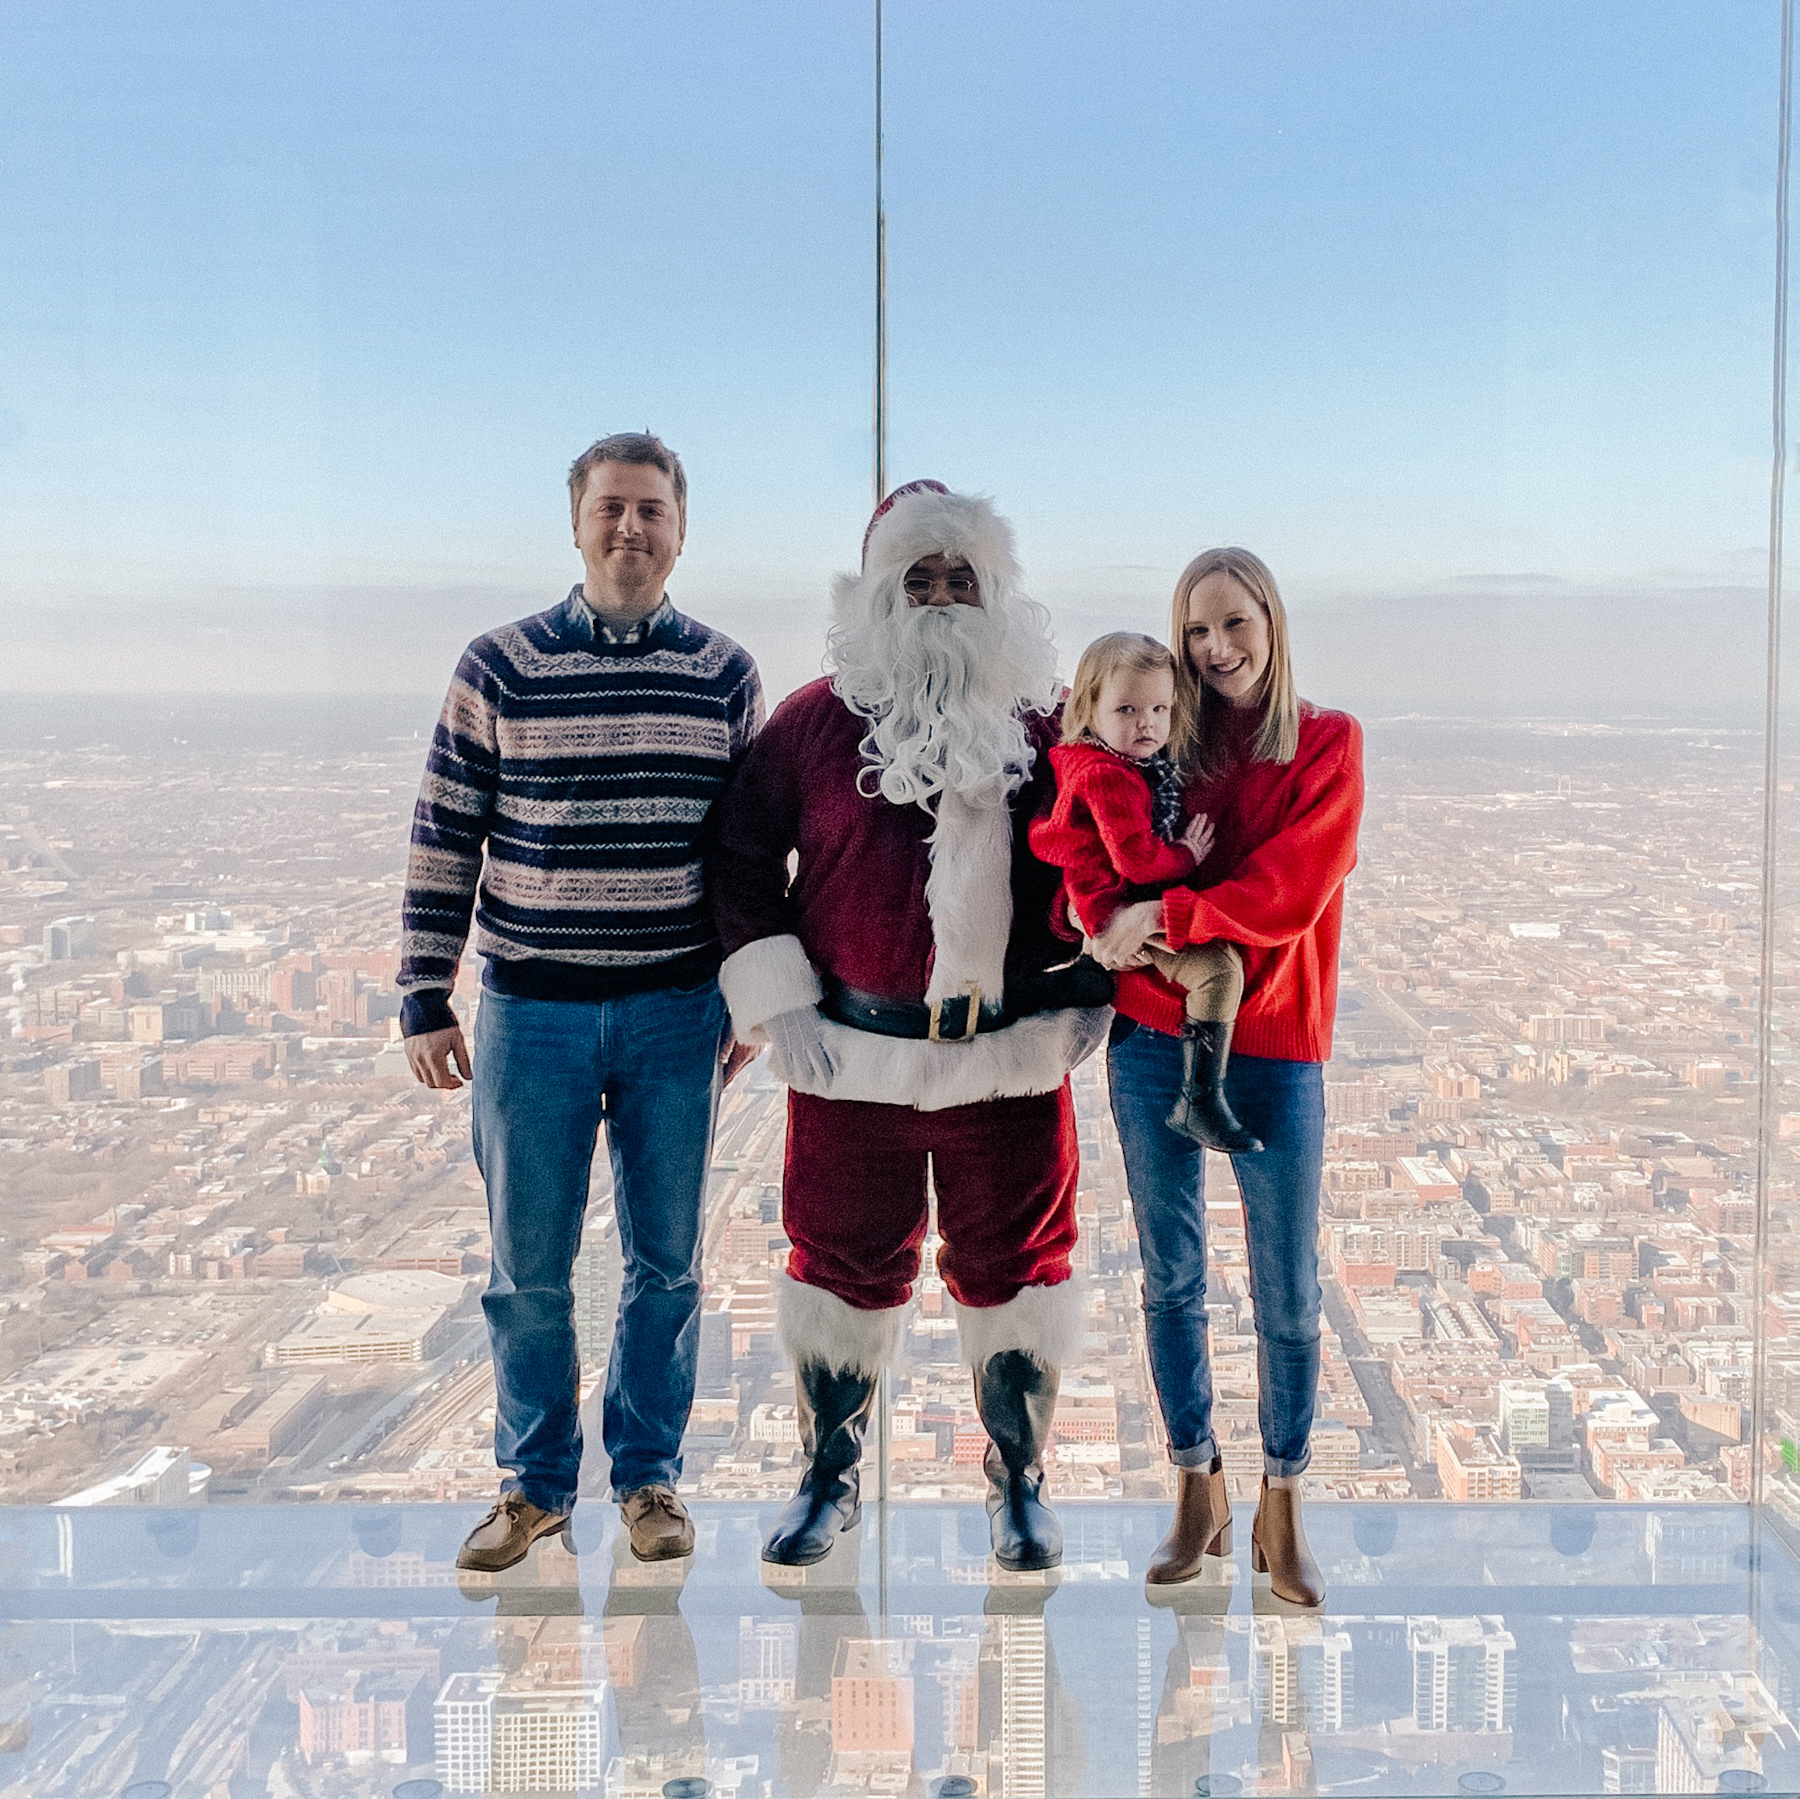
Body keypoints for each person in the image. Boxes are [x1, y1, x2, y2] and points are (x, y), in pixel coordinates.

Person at [709, 480, 1110, 1573]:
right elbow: (742, 864)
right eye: (917, 578)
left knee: (1019, 1271)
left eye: (959, 577)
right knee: (838, 1268)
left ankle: (1018, 1477)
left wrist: (1094, 983)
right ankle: (829, 1476)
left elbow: (1108, 860)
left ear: (997, 594)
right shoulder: (809, 723)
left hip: (1010, 1063)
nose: (939, 598)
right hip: (851, 1063)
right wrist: (778, 1002)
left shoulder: (1053, 725)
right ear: (877, 592)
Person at [396, 433, 762, 1573]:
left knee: (666, 1263)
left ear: (682, 528)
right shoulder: (499, 664)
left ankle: (649, 1480)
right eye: (611, 508)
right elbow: (444, 831)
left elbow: (747, 854)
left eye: (652, 509)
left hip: (675, 1007)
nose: (631, 528)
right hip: (532, 1012)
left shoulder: (724, 673)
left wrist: (748, 992)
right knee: (527, 1270)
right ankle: (536, 1487)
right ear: (576, 522)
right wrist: (423, 991)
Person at [1088, 547, 1362, 1605]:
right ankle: (1196, 1484)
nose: (1217, 648)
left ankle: (1282, 1500)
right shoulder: (1160, 746)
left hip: (1278, 1042)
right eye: (1196, 630)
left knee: (1287, 1291)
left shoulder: (1328, 744)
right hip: (1155, 1032)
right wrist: (1101, 911)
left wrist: (1161, 917)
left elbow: (1289, 888)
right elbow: (1092, 840)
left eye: (1234, 622)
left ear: (1272, 619)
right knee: (1171, 1278)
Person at [1029, 631, 1261, 1153]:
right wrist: (1185, 856)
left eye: (1160, 708)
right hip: (1115, 908)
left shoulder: (1084, 761)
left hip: (1098, 903)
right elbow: (1135, 860)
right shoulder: (1111, 777)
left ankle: (1083, 976)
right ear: (1090, 708)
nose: (1147, 723)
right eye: (1128, 709)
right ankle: (1199, 1101)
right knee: (1220, 972)